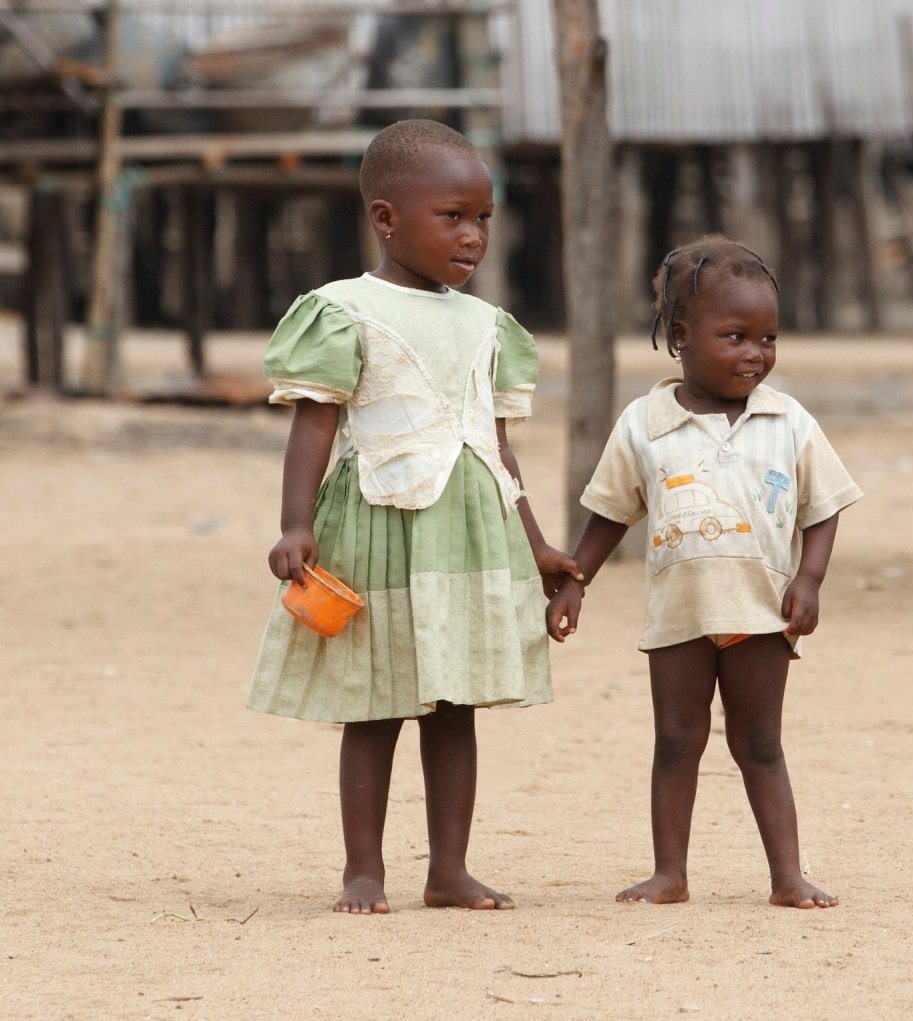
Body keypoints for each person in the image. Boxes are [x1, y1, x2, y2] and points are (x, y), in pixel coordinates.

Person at [248, 119, 579, 915]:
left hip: (470, 532)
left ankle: (449, 869)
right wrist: (296, 524)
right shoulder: (346, 310)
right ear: (386, 218)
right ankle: (363, 868)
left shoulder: (486, 324)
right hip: (378, 523)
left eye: (484, 218)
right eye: (453, 215)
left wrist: (535, 543)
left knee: (455, 704)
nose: (473, 236)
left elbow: (495, 445)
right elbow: (315, 426)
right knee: (377, 700)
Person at [547, 235, 861, 909]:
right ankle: (670, 873)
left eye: (768, 337)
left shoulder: (789, 420)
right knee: (675, 742)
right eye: (736, 336)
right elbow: (610, 512)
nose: (756, 353)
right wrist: (578, 580)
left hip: (761, 612)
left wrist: (810, 579)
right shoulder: (644, 424)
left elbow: (824, 505)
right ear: (681, 336)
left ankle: (787, 875)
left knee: (761, 744)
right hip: (679, 615)